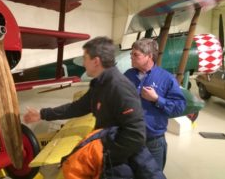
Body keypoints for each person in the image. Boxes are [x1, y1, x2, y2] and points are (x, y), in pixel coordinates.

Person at [23, 36, 147, 178]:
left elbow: (136, 135)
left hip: (119, 166)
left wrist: (103, 157)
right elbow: (76, 107)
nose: (83, 62)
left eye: (85, 58)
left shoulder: (118, 87)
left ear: (96, 61)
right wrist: (42, 114)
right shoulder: (100, 85)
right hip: (109, 163)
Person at [124, 38, 186, 171]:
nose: (132, 58)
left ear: (149, 56)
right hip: (128, 139)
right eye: (131, 54)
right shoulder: (128, 75)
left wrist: (157, 99)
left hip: (153, 143)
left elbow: (179, 108)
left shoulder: (167, 78)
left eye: (136, 55)